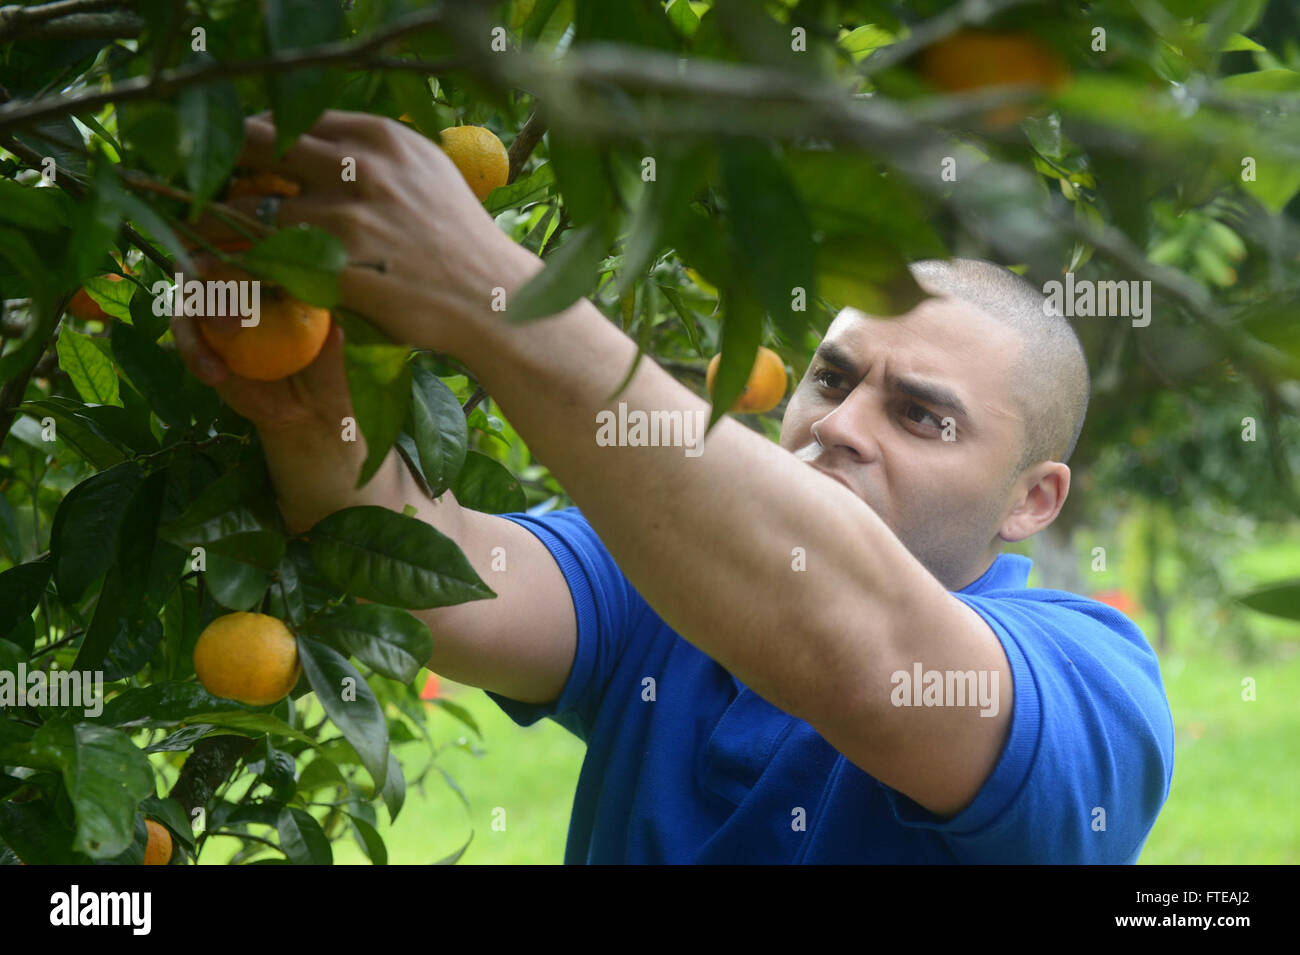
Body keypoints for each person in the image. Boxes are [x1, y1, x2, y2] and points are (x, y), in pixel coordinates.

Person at [173, 111, 1175, 864]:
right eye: (831, 378)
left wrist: (493, 289)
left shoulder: (1091, 687)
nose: (836, 425)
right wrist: (311, 410)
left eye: (920, 415)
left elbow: (853, 641)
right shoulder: (665, 579)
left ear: (1031, 499)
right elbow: (416, 566)